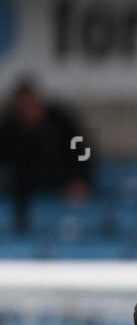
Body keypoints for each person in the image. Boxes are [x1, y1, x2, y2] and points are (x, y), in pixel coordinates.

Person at [0, 79, 94, 235]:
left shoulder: (62, 123)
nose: (27, 110)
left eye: (30, 103)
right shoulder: (9, 128)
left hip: (61, 181)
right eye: (22, 106)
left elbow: (85, 152)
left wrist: (81, 179)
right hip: (24, 189)